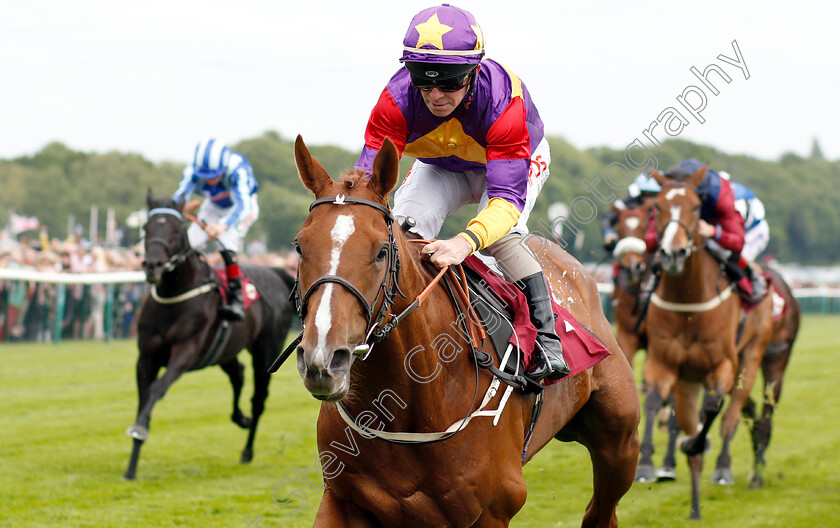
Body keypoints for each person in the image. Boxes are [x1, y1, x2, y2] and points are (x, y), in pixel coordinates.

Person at [354, 4, 568, 381]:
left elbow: (505, 201)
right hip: (442, 165)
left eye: (450, 82)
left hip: (509, 166)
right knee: (405, 234)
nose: (435, 95)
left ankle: (548, 339)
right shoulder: (395, 99)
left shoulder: (504, 102)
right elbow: (369, 184)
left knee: (499, 241)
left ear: (473, 71)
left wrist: (464, 241)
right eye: (423, 79)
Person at [645, 159, 766, 304]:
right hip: (703, 219)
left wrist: (715, 232)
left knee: (723, 253)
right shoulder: (669, 196)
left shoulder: (720, 194)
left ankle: (754, 282)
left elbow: (738, 243)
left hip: (750, 229)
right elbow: (650, 243)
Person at [172, 138, 259, 321]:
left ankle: (236, 299)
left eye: (215, 176)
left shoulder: (238, 169)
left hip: (242, 209)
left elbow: (243, 206)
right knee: (189, 244)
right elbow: (179, 198)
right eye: (206, 177)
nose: (210, 181)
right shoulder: (191, 171)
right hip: (213, 206)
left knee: (226, 244)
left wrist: (222, 225)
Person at [601, 172, 661, 253]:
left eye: (653, 194)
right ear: (638, 192)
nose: (649, 198)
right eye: (645, 193)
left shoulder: (663, 206)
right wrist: (608, 233)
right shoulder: (627, 203)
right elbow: (607, 220)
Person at [719, 171, 770, 263]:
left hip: (755, 232)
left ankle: (756, 277)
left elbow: (735, 237)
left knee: (739, 260)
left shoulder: (737, 202)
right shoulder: (724, 195)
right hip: (744, 231)